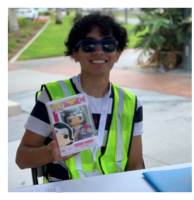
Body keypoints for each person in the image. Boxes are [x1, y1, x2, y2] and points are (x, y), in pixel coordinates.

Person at [15, 12, 144, 183]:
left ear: (117, 54)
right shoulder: (53, 97)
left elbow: (135, 165)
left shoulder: (131, 103)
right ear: (75, 54)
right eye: (89, 45)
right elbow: (22, 158)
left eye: (108, 45)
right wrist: (50, 152)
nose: (99, 51)